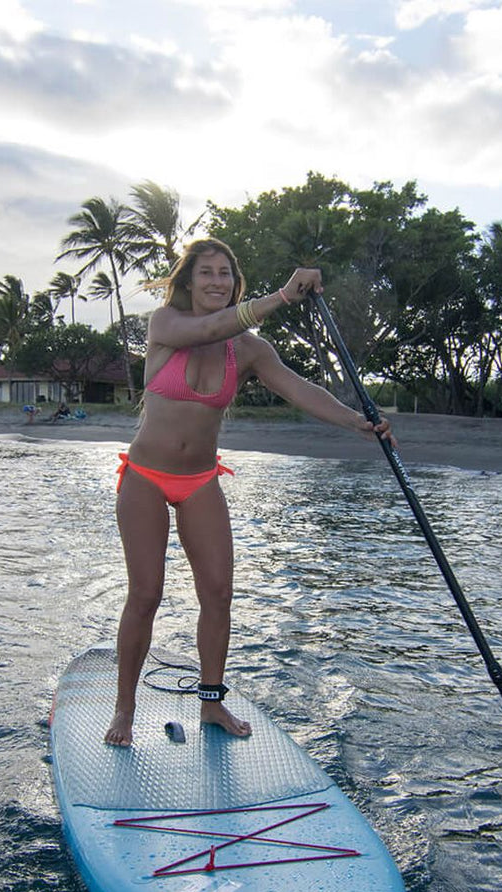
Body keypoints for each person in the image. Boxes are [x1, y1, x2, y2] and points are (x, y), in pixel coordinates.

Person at [106, 238, 393, 748]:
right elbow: (212, 327)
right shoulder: (165, 325)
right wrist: (282, 296)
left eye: (225, 274)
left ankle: (212, 704)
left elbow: (301, 389)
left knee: (218, 594)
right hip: (145, 477)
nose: (217, 281)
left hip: (200, 480)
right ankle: (124, 707)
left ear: (234, 284)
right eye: (206, 273)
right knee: (145, 594)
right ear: (189, 282)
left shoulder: (251, 349)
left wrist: (359, 422)